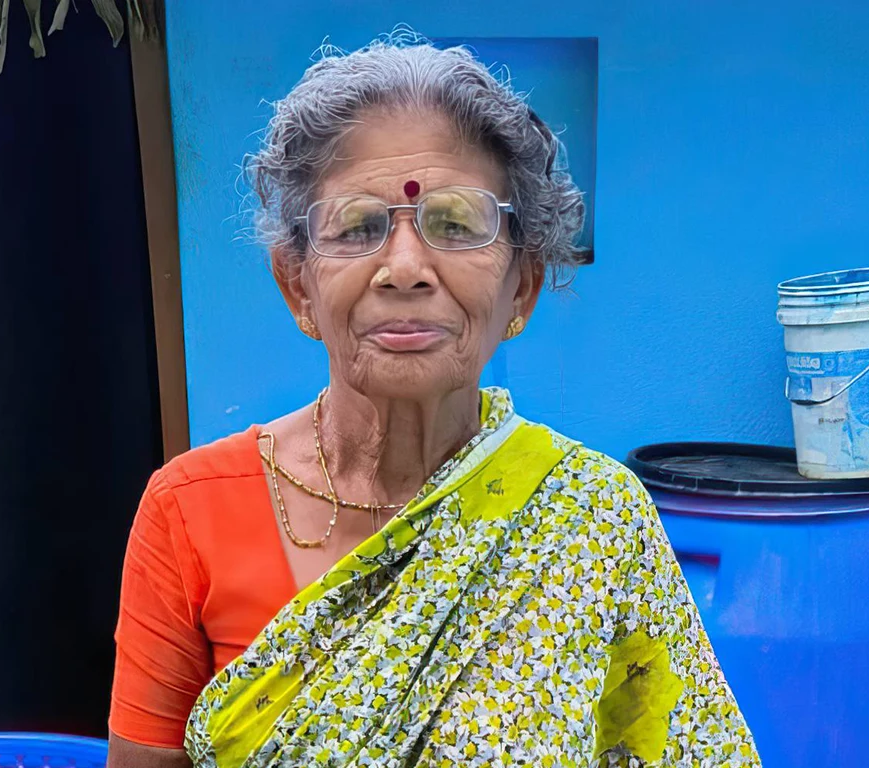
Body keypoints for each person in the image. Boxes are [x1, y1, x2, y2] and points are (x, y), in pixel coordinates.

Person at [108, 31, 760, 768]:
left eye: (455, 223)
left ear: (523, 287)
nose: (407, 267)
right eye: (357, 226)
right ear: (298, 285)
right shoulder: (187, 511)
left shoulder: (594, 522)